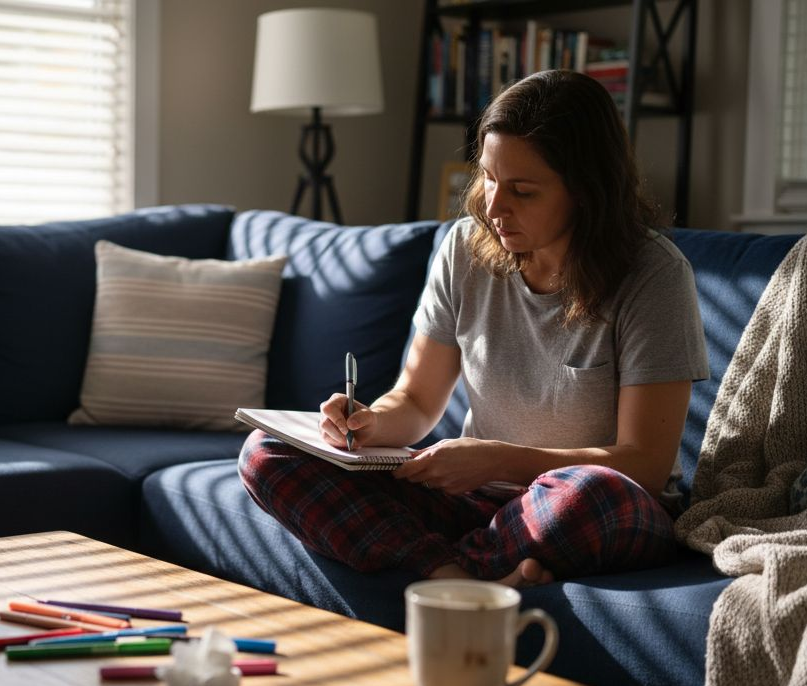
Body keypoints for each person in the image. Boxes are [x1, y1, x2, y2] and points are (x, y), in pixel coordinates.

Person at [238, 70, 709, 588]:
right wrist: (368, 424)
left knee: (594, 497)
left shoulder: (653, 275)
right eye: (487, 177)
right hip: (474, 504)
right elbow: (416, 402)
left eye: (522, 191)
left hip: (579, 503)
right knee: (268, 451)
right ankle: (457, 579)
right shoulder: (466, 249)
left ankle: (438, 565)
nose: (492, 206)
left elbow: (642, 463)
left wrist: (496, 460)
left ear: (585, 191)